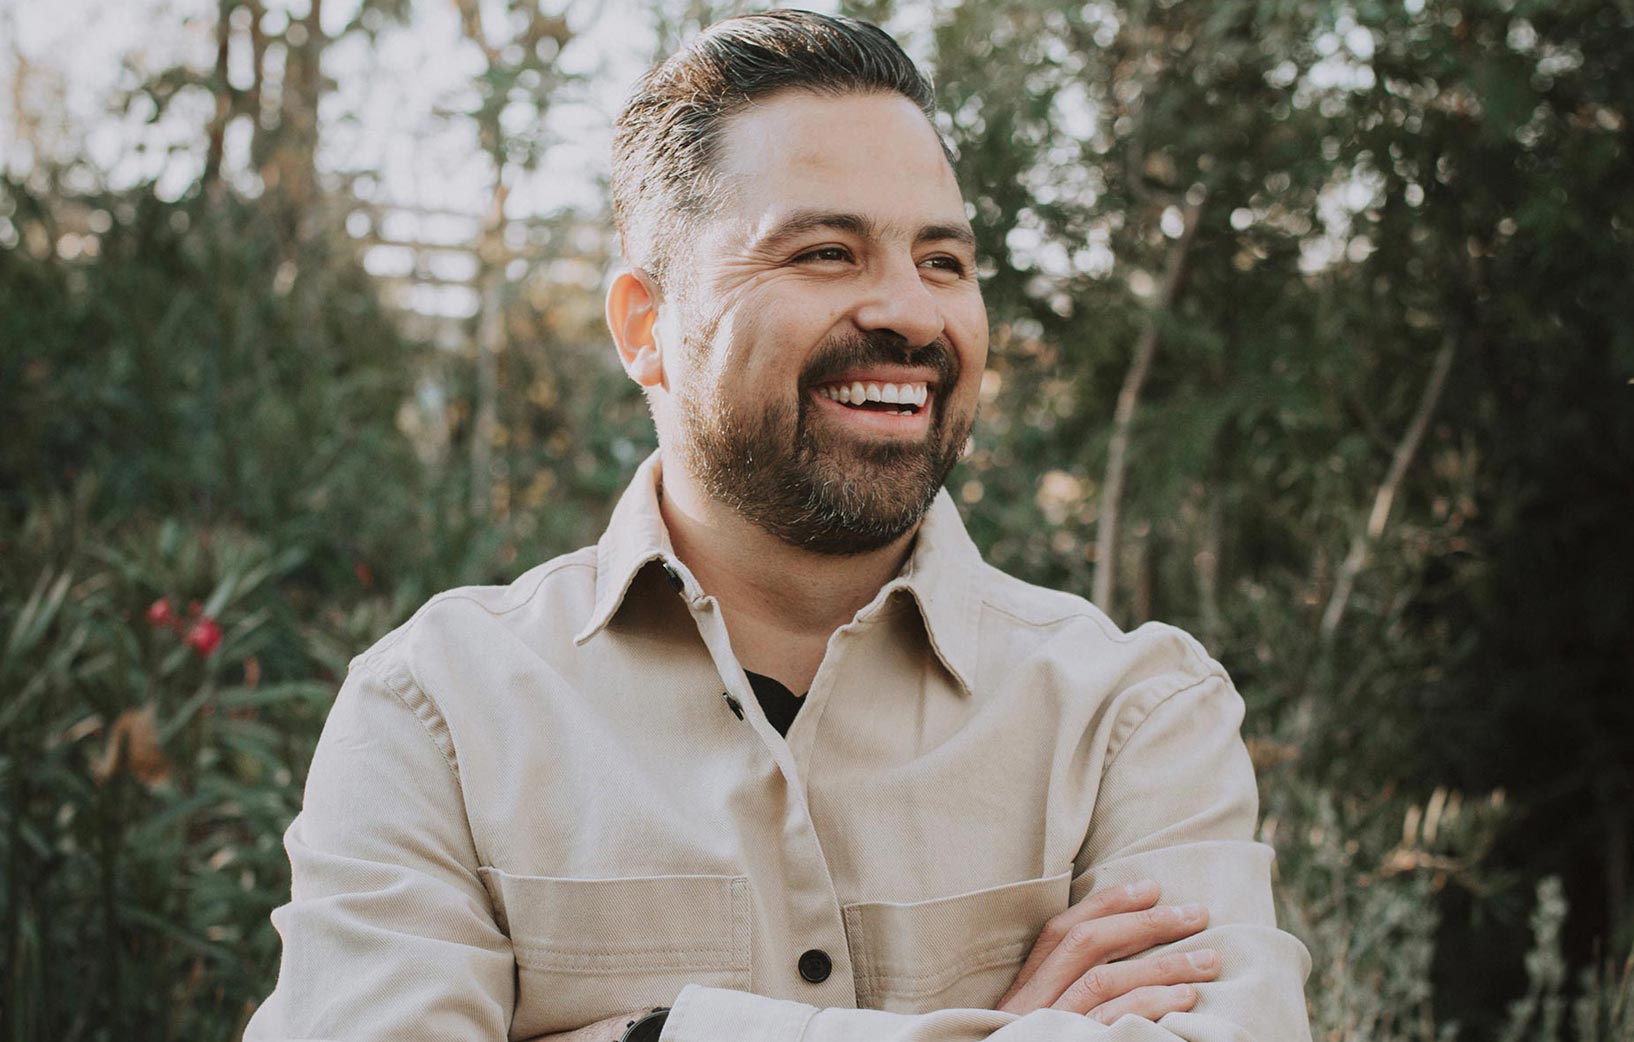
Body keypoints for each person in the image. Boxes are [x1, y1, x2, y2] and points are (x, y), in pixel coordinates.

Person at [244, 10, 1313, 1042]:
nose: (911, 311)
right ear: (644, 326)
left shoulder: (1133, 716)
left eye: (943, 261)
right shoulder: (438, 713)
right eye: (825, 253)